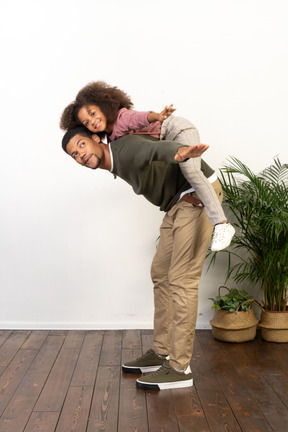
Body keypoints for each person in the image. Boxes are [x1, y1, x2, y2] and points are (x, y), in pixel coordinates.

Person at [61, 125, 222, 390]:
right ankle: (161, 352)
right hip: (177, 204)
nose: (80, 155)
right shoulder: (115, 161)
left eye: (81, 146)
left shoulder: (124, 149)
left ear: (94, 138)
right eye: (74, 155)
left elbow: (154, 149)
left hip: (196, 196)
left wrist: (182, 152)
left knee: (182, 280)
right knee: (160, 273)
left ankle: (180, 368)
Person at [60, 81, 235, 251]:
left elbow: (143, 120)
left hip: (176, 129)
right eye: (87, 123)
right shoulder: (113, 137)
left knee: (192, 171)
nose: (92, 122)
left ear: (103, 105)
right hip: (168, 147)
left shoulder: (122, 118)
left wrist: (159, 118)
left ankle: (222, 223)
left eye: (92, 113)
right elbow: (126, 156)